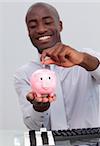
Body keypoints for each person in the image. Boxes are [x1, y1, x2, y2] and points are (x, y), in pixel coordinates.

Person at [14, 2, 100, 130]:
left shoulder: (85, 59)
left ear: (60, 26)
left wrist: (83, 59)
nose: (41, 29)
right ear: (28, 32)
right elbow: (33, 126)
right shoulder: (23, 74)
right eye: (33, 25)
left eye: (47, 22)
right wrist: (40, 107)